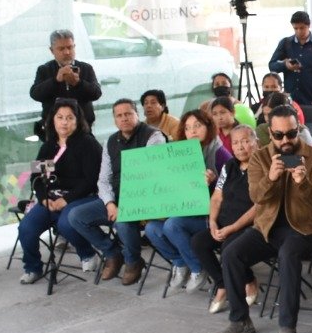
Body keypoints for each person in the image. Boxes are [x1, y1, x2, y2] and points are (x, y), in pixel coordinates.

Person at [210, 105, 312, 333]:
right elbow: (256, 196)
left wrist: (303, 183)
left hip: (301, 228)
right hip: (267, 227)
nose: (286, 140)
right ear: (270, 133)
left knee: (288, 255)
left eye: (291, 134)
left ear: (299, 129)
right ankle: (240, 320)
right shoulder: (260, 157)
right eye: (279, 135)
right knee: (231, 254)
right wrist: (271, 178)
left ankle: (287, 327)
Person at [62, 98, 167, 285]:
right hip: (116, 198)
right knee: (76, 216)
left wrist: (123, 205)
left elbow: (150, 176)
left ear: (137, 115)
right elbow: (103, 179)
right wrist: (110, 203)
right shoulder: (111, 141)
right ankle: (112, 252)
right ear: (114, 120)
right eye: (119, 115)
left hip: (144, 199)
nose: (124, 118)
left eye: (128, 114)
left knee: (123, 221)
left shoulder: (154, 136)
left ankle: (133, 260)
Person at [16, 102, 104, 285]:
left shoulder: (87, 143)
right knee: (26, 227)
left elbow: (91, 180)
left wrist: (66, 199)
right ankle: (32, 267)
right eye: (60, 117)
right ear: (53, 120)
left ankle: (87, 254)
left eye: (70, 118)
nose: (64, 122)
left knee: (66, 223)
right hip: (52, 198)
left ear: (78, 121)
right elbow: (37, 177)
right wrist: (43, 199)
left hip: (81, 197)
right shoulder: (48, 146)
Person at [144, 111, 223, 294]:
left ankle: (198, 267)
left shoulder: (219, 153)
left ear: (208, 127)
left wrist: (214, 182)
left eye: (197, 126)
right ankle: (180, 262)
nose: (192, 131)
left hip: (211, 217)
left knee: (172, 225)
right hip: (184, 211)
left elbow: (233, 190)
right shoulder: (180, 154)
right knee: (151, 229)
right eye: (187, 128)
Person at [196, 125, 261, 315]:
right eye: (235, 143)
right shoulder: (229, 166)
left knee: (228, 248)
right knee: (199, 242)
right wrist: (213, 222)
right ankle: (222, 284)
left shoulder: (263, 166)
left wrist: (232, 228)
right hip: (225, 221)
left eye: (245, 141)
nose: (240, 147)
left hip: (249, 225)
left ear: (256, 142)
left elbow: (260, 206)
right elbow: (217, 197)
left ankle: (249, 280)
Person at [268, 10, 312, 136]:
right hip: (292, 100)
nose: (298, 32)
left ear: (309, 25)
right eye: (295, 28)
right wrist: (285, 65)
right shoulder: (286, 43)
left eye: (302, 28)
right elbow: (272, 65)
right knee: (291, 133)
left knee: (311, 136)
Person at [28, 29, 101, 138]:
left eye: (70, 47)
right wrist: (55, 80)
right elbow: (35, 94)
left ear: (74, 47)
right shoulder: (44, 69)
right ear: (52, 50)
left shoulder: (86, 68)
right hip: (53, 132)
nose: (67, 52)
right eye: (61, 49)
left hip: (82, 130)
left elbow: (96, 93)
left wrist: (78, 83)